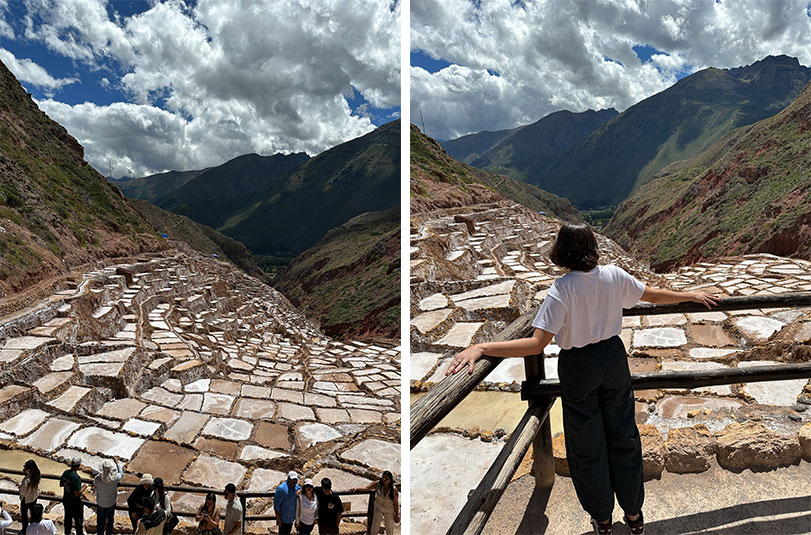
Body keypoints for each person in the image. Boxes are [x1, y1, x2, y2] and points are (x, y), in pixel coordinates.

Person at [447, 223, 719, 535]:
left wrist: (483, 347)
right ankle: (634, 514)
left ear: (562, 251)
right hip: (613, 359)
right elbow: (652, 295)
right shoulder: (614, 275)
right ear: (592, 247)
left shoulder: (562, 290)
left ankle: (602, 519)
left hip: (578, 367)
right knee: (624, 434)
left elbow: (536, 343)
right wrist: (691, 295)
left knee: (587, 444)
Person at [93, 459, 123, 535]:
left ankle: (100, 534)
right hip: (111, 503)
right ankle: (108, 533)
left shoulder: (97, 479)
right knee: (110, 520)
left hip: (101, 503)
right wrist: (118, 464)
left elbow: (95, 485)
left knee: (100, 521)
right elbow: (121, 473)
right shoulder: (115, 478)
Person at [59, 457, 86, 535]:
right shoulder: (76, 478)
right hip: (75, 503)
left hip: (66, 500)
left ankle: (67, 533)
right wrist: (84, 487)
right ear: (78, 465)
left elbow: (61, 484)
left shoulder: (65, 472)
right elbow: (77, 494)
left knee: (68, 519)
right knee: (78, 521)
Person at [20, 459, 41, 534]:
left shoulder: (27, 479)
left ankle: (24, 530)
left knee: (24, 516)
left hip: (26, 499)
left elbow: (23, 491)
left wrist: (20, 491)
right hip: (34, 497)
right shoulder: (37, 475)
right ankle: (33, 530)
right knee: (33, 515)